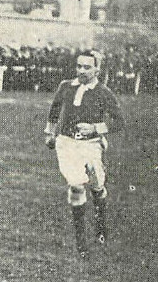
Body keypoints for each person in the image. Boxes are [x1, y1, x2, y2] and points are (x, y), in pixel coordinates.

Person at [43, 50, 124, 259]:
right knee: (77, 185)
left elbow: (119, 122)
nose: (81, 71)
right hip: (67, 143)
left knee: (97, 186)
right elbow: (54, 110)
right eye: (79, 66)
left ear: (97, 69)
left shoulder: (103, 92)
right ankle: (81, 242)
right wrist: (50, 133)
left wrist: (96, 128)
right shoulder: (65, 87)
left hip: (91, 145)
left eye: (87, 67)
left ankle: (101, 227)